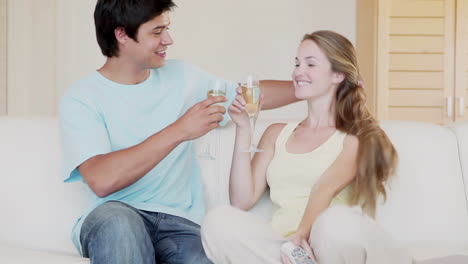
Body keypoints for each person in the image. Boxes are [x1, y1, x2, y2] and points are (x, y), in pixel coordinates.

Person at [59, 0, 297, 263]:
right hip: (114, 216)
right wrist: (180, 129)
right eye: (157, 32)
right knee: (120, 225)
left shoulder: (183, 77)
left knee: (201, 256)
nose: (168, 40)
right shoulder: (82, 98)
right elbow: (101, 180)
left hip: (180, 224)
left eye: (166, 30)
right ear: (122, 34)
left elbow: (249, 95)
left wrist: (314, 85)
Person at [201, 30, 413, 264]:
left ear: (338, 75)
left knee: (333, 223)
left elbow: (325, 187)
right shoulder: (277, 134)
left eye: (310, 64)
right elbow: (242, 201)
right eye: (297, 63)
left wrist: (301, 236)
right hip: (289, 253)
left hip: (333, 248)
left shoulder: (355, 138)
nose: (298, 72)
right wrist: (243, 127)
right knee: (219, 220)